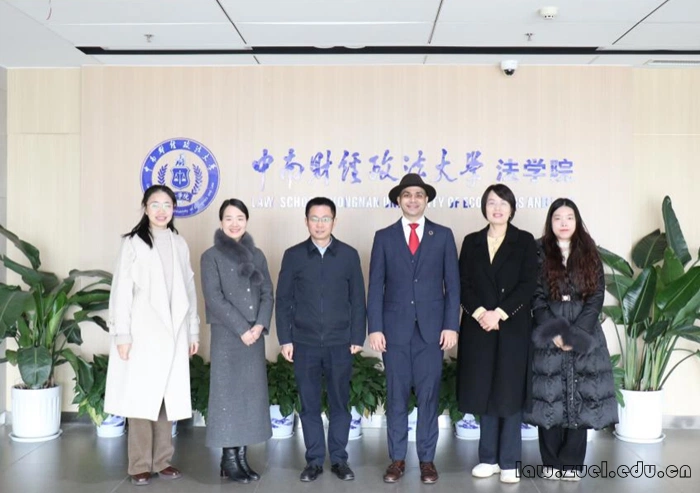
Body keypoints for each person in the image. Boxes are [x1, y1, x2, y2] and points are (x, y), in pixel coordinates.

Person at [367, 173, 460, 485]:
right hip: (394, 331)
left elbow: (453, 286)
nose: (413, 199)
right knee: (396, 397)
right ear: (398, 200)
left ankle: (427, 460)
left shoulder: (443, 235)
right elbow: (375, 286)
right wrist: (375, 327)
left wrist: (451, 325)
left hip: (432, 332)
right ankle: (396, 459)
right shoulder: (384, 237)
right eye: (407, 194)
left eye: (419, 194)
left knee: (429, 397)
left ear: (426, 199)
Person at [105, 185, 199, 486]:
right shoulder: (132, 243)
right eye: (155, 204)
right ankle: (139, 464)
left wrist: (193, 330)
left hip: (173, 332)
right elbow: (121, 291)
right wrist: (122, 334)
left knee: (165, 399)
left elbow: (188, 291)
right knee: (140, 399)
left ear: (174, 209)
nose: (161, 210)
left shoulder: (179, 243)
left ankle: (163, 461)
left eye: (167, 205)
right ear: (145, 207)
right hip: (142, 333)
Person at [525, 198, 617, 481]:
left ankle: (573, 464)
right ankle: (551, 462)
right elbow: (535, 296)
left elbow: (596, 296)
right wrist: (554, 331)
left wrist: (576, 334)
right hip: (548, 333)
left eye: (569, 217)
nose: (563, 223)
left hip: (584, 334)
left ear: (577, 221)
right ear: (550, 222)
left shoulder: (589, 250)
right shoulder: (538, 251)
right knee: (549, 396)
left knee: (581, 396)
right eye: (557, 218)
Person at [275, 197, 367, 483]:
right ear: (306, 221)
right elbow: (283, 300)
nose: (319, 224)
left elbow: (358, 299)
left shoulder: (349, 255)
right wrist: (285, 339)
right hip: (305, 342)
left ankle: (339, 459)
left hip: (341, 342)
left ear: (334, 221)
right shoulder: (294, 255)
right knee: (309, 405)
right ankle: (314, 461)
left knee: (340, 403)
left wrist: (357, 336)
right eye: (314, 218)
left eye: (325, 218)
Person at [456, 184, 538, 484]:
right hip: (479, 327)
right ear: (484, 207)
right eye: (492, 202)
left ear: (512, 208)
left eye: (503, 203)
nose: (497, 208)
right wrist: (481, 313)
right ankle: (488, 458)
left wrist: (500, 313)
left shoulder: (524, 241)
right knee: (485, 390)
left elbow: (528, 284)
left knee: (510, 391)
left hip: (511, 326)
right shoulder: (472, 241)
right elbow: (462, 283)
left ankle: (510, 462)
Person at [200, 199, 274, 483]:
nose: (234, 223)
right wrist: (243, 328)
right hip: (228, 336)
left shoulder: (257, 255)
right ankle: (228, 459)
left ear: (246, 221)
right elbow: (214, 298)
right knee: (227, 396)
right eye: (229, 218)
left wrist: (260, 325)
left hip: (254, 336)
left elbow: (267, 293)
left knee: (248, 397)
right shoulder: (210, 256)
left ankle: (241, 458)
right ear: (221, 222)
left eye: (240, 218)